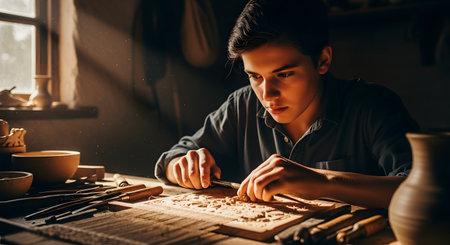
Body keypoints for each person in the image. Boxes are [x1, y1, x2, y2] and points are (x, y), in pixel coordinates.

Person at [154, 0, 419, 209]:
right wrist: (181, 165)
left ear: (323, 61)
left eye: (284, 74)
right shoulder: (242, 105)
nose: (268, 94)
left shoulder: (372, 107)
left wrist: (322, 181)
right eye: (255, 76)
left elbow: (426, 189)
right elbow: (175, 155)